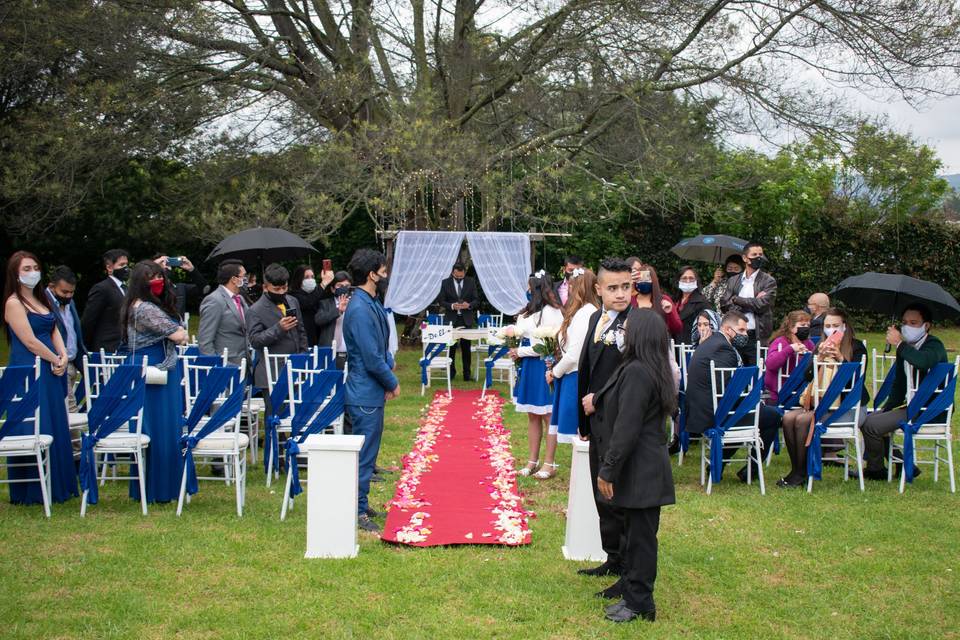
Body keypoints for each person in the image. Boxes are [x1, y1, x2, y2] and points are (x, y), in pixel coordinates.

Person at [592, 308, 676, 623]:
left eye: (626, 328)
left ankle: (641, 603)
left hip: (642, 468)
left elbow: (628, 426)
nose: (621, 332)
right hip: (640, 466)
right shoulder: (639, 366)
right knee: (633, 534)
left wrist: (608, 468)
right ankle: (631, 592)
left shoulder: (640, 371)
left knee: (641, 540)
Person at [3, 251, 79, 505]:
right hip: (29, 369)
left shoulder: (41, 299)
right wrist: (53, 358)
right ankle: (33, 489)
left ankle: (59, 483)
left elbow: (54, 328)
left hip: (51, 367)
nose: (32, 272)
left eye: (35, 267)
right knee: (35, 422)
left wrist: (63, 356)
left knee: (56, 420)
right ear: (15, 273)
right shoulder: (14, 303)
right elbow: (28, 340)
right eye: (26, 268)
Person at [576, 258, 633, 579]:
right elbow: (586, 369)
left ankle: (627, 560)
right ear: (598, 289)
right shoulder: (596, 318)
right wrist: (582, 422)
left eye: (626, 286)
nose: (621, 294)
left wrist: (600, 401)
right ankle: (612, 556)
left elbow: (634, 376)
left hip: (620, 418)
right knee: (602, 494)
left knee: (619, 492)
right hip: (594, 422)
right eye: (613, 288)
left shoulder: (636, 324)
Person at [121, 260, 190, 503]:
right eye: (151, 277)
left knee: (162, 424)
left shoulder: (141, 305)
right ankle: (159, 487)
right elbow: (178, 333)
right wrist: (178, 330)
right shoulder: (145, 309)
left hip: (155, 365)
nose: (157, 281)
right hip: (154, 368)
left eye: (160, 276)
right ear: (141, 282)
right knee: (159, 426)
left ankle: (158, 484)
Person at [684, 311, 780, 482]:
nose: (745, 335)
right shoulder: (724, 349)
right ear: (728, 329)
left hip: (703, 408)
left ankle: (720, 463)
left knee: (749, 414)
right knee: (773, 416)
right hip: (711, 413)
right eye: (741, 330)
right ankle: (751, 471)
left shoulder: (713, 343)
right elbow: (726, 391)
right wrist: (751, 400)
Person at [778, 308, 868, 487]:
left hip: (848, 407)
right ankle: (797, 469)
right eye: (828, 326)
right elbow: (807, 376)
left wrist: (841, 360)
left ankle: (802, 473)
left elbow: (857, 381)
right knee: (788, 418)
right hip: (822, 404)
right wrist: (818, 358)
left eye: (836, 325)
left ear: (845, 326)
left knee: (803, 420)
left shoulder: (857, 347)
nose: (832, 330)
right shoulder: (820, 345)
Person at [343, 249, 399, 533]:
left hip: (371, 389)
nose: (386, 275)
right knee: (363, 456)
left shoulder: (369, 301)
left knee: (369, 453)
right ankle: (356, 510)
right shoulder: (360, 307)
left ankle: (361, 503)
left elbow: (382, 346)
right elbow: (370, 356)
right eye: (383, 270)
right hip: (364, 392)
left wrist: (388, 367)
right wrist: (391, 381)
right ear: (371, 274)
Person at [859, 303, 947, 480]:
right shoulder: (905, 348)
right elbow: (899, 384)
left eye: (913, 323)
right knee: (868, 419)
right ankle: (903, 464)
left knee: (871, 426)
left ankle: (876, 470)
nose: (907, 326)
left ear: (926, 325)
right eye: (904, 322)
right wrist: (887, 409)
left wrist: (899, 344)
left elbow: (923, 362)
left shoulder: (934, 344)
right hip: (912, 406)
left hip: (930, 409)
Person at [511, 271, 564, 478]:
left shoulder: (553, 312)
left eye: (529, 287)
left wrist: (520, 351)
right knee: (532, 414)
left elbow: (546, 345)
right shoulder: (527, 312)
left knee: (548, 415)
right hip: (529, 367)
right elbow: (519, 331)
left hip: (544, 366)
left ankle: (549, 463)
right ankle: (532, 461)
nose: (526, 290)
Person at [546, 267, 599, 449]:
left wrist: (555, 372)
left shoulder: (586, 313)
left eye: (570, 285)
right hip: (570, 374)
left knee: (580, 434)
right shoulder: (582, 311)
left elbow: (575, 354)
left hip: (576, 376)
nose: (567, 289)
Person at [246, 264, 308, 412]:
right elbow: (255, 340)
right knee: (275, 415)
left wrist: (303, 354)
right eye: (277, 289)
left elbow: (301, 331)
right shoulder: (255, 310)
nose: (281, 292)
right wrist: (279, 328)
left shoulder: (292, 301)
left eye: (284, 288)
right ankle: (273, 437)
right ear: (265, 287)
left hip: (295, 366)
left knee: (297, 413)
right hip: (271, 371)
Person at [720, 242, 777, 365]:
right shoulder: (733, 280)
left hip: (756, 336)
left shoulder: (768, 281)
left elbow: (762, 305)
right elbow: (724, 304)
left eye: (760, 254)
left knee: (756, 374)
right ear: (745, 258)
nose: (758, 257)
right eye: (754, 254)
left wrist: (737, 299)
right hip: (735, 334)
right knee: (736, 372)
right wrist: (752, 302)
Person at [44, 265, 86, 412]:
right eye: (64, 292)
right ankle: (74, 435)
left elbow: (74, 332)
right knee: (70, 409)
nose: (68, 296)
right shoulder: (43, 303)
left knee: (64, 409)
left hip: (73, 362)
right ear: (52, 286)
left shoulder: (70, 303)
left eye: (72, 292)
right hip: (57, 363)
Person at [197, 259, 250, 366]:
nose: (246, 280)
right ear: (234, 279)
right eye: (243, 276)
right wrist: (216, 366)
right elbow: (205, 341)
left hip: (243, 362)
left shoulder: (240, 298)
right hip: (225, 364)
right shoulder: (214, 300)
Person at [81, 248, 131, 352]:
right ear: (109, 267)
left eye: (126, 265)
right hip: (106, 347)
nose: (125, 268)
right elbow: (89, 320)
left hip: (124, 346)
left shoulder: (126, 289)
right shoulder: (102, 288)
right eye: (121, 265)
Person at [437, 262, 480, 381]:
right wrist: (451, 306)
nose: (460, 278)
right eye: (457, 276)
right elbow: (441, 300)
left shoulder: (470, 282)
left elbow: (476, 300)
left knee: (466, 349)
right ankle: (451, 373)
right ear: (453, 273)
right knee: (451, 348)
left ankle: (467, 374)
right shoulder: (445, 283)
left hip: (466, 319)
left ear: (464, 273)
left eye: (462, 276)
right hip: (451, 319)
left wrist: (469, 305)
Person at [763, 310, 813, 406]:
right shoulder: (780, 342)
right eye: (802, 325)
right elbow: (770, 364)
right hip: (777, 394)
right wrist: (790, 349)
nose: (806, 328)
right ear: (791, 327)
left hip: (799, 393)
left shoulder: (808, 343)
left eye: (808, 325)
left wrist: (808, 355)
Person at [625, 258, 682, 339]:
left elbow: (677, 328)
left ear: (653, 280)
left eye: (646, 278)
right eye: (640, 278)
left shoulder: (664, 300)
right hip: (635, 345)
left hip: (658, 346)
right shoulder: (629, 300)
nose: (643, 281)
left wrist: (669, 313)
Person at [289, 265, 334, 347]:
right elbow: (308, 302)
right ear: (299, 279)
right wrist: (323, 283)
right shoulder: (293, 296)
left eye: (312, 277)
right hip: (303, 339)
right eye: (306, 277)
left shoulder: (317, 293)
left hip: (318, 338)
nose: (310, 279)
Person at [320, 272, 352, 369]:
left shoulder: (355, 304)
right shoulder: (325, 304)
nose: (344, 288)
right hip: (330, 352)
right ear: (333, 289)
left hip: (350, 353)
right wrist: (338, 311)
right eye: (340, 285)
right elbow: (319, 319)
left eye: (347, 286)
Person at [675, 266, 709, 344]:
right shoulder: (675, 300)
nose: (688, 281)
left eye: (691, 278)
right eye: (684, 278)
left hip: (692, 346)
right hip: (675, 346)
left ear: (696, 281)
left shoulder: (702, 302)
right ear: (678, 281)